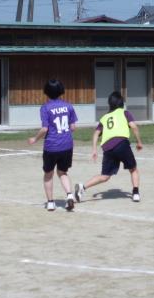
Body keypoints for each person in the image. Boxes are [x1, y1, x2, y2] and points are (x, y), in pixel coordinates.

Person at [75, 91, 144, 203]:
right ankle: (135, 193)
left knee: (105, 176)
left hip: (108, 148)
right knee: (133, 169)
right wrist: (139, 142)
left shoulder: (105, 117)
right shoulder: (125, 113)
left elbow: (96, 133)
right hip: (122, 144)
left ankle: (83, 187)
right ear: (121, 103)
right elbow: (134, 126)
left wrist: (94, 150)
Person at [28, 79, 78, 211]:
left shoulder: (45, 108)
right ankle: (69, 195)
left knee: (48, 174)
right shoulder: (68, 106)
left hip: (52, 146)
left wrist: (35, 139)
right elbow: (73, 127)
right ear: (61, 91)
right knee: (62, 172)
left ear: (46, 92)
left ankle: (50, 203)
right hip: (67, 145)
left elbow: (45, 129)